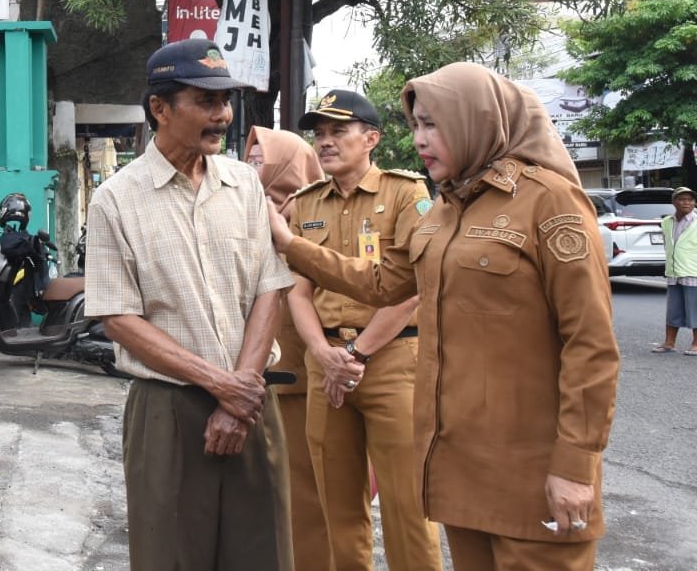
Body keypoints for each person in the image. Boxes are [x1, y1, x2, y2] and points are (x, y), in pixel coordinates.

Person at [267, 62, 619, 571]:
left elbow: (591, 346)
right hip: (460, 464)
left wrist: (576, 466)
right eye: (415, 126)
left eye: (433, 124)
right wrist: (292, 245)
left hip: (530, 467)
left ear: (476, 120)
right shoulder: (450, 208)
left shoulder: (551, 203)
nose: (419, 140)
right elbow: (383, 283)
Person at [85, 38, 296, 571]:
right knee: (171, 556)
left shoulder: (245, 184)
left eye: (225, 101)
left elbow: (269, 286)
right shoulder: (116, 198)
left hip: (251, 402)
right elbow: (118, 316)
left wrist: (238, 390)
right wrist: (217, 383)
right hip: (169, 410)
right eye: (205, 101)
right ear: (160, 108)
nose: (222, 115)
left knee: (263, 553)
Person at [284, 91, 442, 571]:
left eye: (338, 131)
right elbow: (297, 291)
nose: (325, 143)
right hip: (326, 364)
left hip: (391, 361)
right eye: (319, 134)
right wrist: (323, 353)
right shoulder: (307, 203)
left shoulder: (405, 192)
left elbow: (411, 289)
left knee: (407, 505)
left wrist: (355, 354)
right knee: (336, 505)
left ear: (371, 138)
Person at [245, 126, 333, 571]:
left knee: (305, 485)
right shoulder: (250, 209)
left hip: (299, 367)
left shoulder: (309, 211)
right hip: (259, 368)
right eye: (251, 158)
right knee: (274, 483)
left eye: (261, 160)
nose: (251, 166)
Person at [654, 186, 697, 355]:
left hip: (693, 272)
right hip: (673, 272)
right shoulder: (666, 222)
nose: (686, 202)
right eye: (682, 199)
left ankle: (696, 343)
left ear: (694, 203)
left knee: (695, 309)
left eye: (690, 199)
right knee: (673, 310)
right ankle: (669, 343)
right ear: (674, 202)